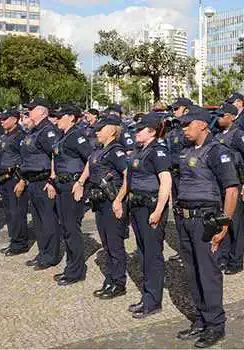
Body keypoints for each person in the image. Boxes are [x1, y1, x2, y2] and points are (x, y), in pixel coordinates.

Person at [174, 107, 238, 348]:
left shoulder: (217, 152)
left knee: (208, 273)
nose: (184, 129)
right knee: (192, 272)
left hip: (205, 220)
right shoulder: (186, 151)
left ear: (202, 125)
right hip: (186, 219)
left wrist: (224, 226)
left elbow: (231, 190)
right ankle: (200, 320)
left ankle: (215, 325)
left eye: (187, 124)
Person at [114, 112, 172, 319]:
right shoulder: (139, 150)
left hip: (151, 208)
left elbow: (166, 182)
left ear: (152, 132)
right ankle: (147, 296)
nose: (136, 133)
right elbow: (128, 178)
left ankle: (153, 301)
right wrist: (120, 199)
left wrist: (158, 211)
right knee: (143, 253)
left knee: (153, 255)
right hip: (137, 206)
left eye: (140, 130)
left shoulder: (158, 152)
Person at [74, 116, 129, 299]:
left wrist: (119, 200)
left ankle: (119, 283)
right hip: (100, 202)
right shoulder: (100, 150)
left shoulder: (116, 151)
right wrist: (81, 182)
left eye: (100, 129)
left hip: (112, 202)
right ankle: (110, 279)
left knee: (115, 244)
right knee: (106, 243)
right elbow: (90, 166)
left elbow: (128, 174)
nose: (96, 132)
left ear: (112, 131)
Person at [16, 97, 61, 271]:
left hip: (44, 181)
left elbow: (55, 156)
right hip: (33, 180)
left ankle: (51, 255)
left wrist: (52, 179)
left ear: (42, 111)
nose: (29, 112)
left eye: (32, 109)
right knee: (38, 221)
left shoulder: (48, 131)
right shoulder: (34, 131)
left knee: (48, 219)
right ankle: (43, 252)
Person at [50, 105, 92, 286]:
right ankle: (71, 267)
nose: (56, 120)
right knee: (66, 228)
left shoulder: (77, 136)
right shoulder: (63, 135)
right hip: (61, 184)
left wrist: (81, 183)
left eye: (60, 117)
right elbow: (56, 158)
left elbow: (91, 159)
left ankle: (76, 271)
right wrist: (52, 180)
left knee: (71, 228)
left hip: (72, 186)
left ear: (71, 117)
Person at [214, 103, 244, 275]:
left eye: (221, 115)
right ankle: (223, 258)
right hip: (220, 185)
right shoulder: (216, 135)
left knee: (235, 224)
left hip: (235, 184)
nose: (218, 118)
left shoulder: (239, 135)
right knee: (222, 222)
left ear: (231, 117)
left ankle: (236, 261)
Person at [0, 109, 31, 256]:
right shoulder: (6, 135)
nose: (2, 121)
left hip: (15, 178)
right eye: (1, 119)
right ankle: (14, 239)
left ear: (15, 120)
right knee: (9, 212)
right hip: (4, 178)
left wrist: (23, 180)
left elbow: (26, 159)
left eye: (5, 119)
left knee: (17, 212)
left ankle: (20, 243)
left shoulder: (20, 136)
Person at [166, 97, 194, 264]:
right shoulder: (174, 128)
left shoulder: (191, 128)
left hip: (187, 175)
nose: (173, 111)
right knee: (178, 212)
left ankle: (192, 250)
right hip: (175, 174)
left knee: (189, 213)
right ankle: (184, 250)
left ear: (186, 109)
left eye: (176, 108)